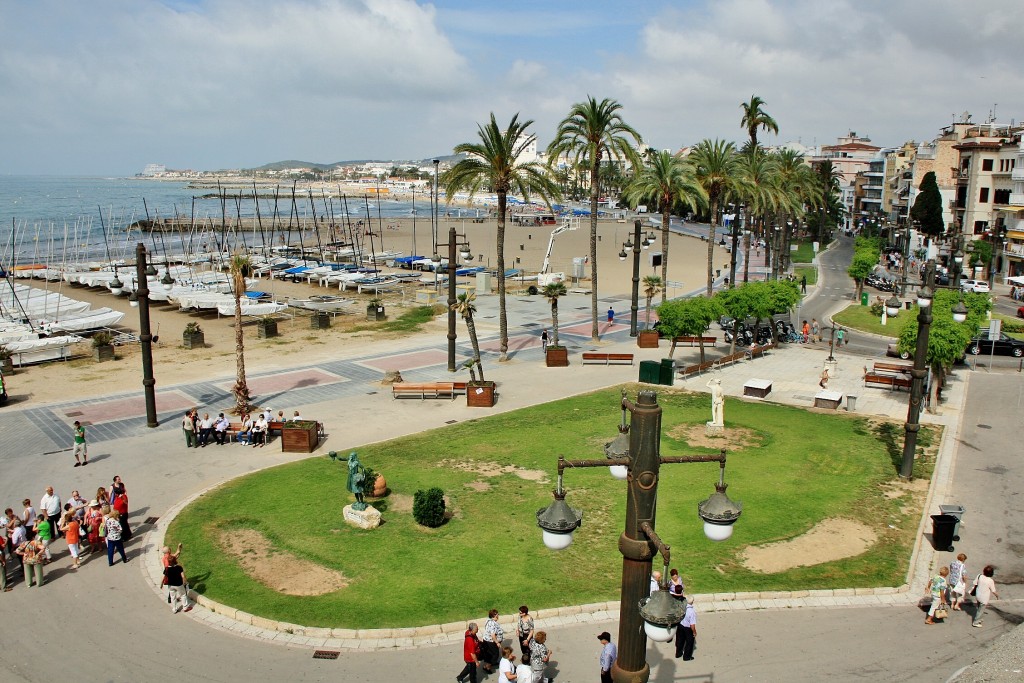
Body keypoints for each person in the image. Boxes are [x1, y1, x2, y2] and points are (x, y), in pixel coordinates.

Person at [481, 609, 503, 673]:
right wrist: (497, 643)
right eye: (497, 614)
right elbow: (493, 635)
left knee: (488, 654)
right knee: (495, 655)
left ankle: (490, 664)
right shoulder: (493, 624)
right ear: (495, 615)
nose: (498, 615)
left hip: (486, 641)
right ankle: (487, 667)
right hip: (491, 642)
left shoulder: (488, 620)